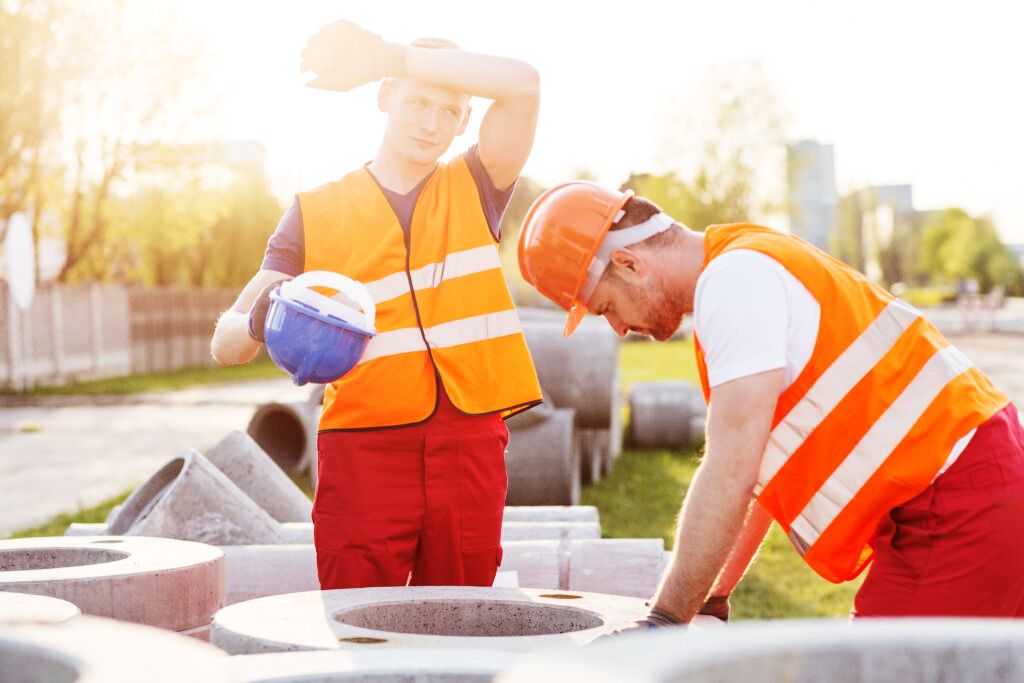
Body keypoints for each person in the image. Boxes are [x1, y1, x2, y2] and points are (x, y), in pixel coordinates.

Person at [517, 181, 1024, 626]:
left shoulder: (735, 284)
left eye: (606, 306)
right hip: (969, 480)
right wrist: (710, 595)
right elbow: (758, 474)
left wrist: (666, 620)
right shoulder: (745, 262)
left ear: (628, 263)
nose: (620, 328)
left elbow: (730, 470)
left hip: (957, 501)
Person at [211, 20, 543, 589]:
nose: (431, 124)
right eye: (418, 103)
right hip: (362, 452)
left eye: (449, 112)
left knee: (461, 623)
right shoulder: (315, 211)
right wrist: (265, 317)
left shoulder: (477, 183)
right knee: (359, 625)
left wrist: (394, 55)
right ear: (386, 97)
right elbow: (226, 345)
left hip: (467, 445)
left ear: (466, 121)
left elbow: (524, 84)